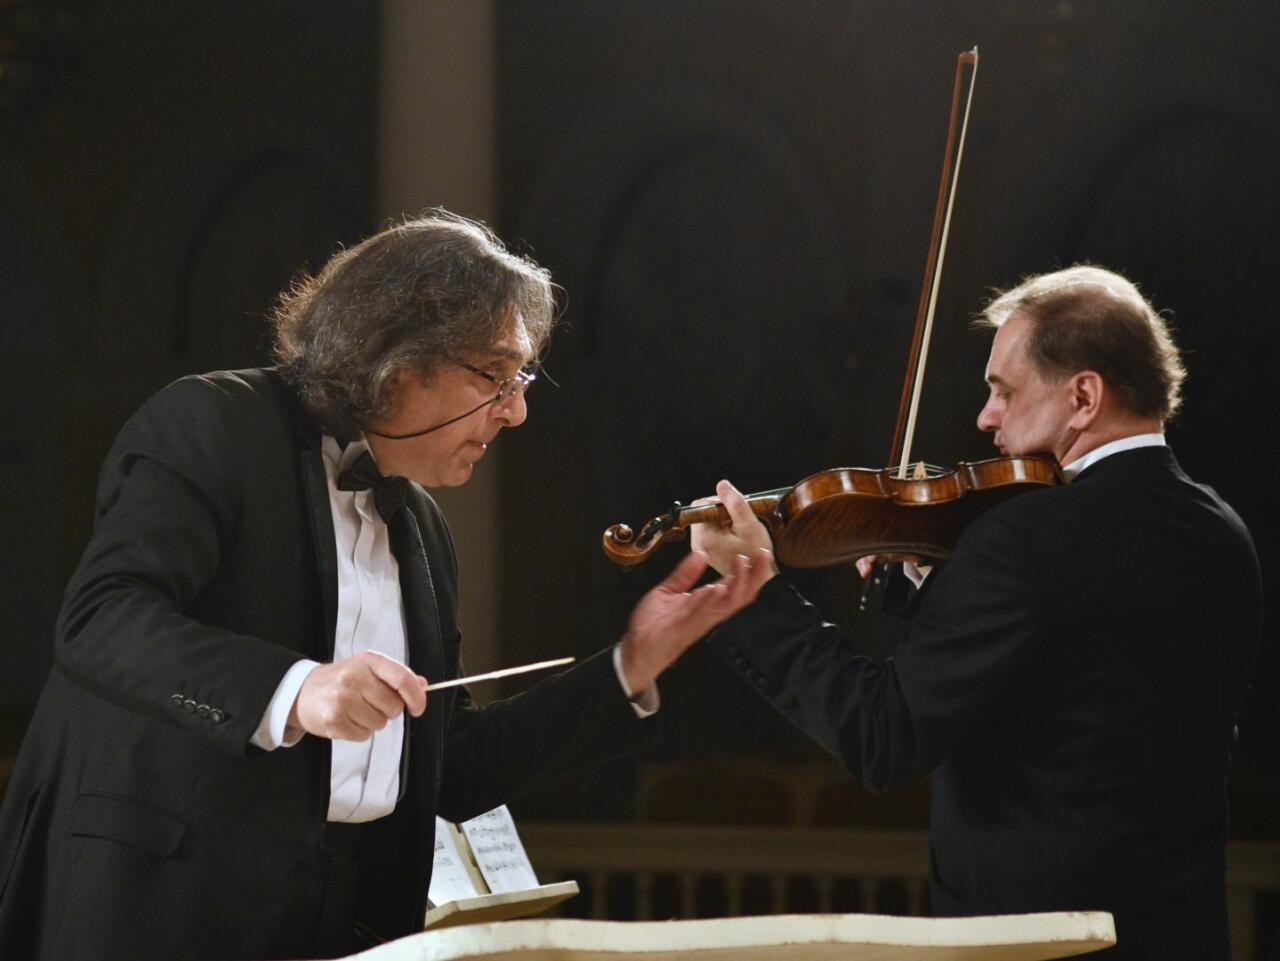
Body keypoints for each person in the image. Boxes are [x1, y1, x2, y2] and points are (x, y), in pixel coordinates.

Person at [0, 211, 773, 961]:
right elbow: (101, 617)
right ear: (395, 356)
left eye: (522, 377)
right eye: (495, 374)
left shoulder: (425, 529)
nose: (516, 410)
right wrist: (297, 690)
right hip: (164, 914)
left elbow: (452, 765)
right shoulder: (212, 424)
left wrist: (633, 663)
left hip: (351, 930)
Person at [692, 265, 1261, 959]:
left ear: (1084, 396)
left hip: (1039, 944)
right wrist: (938, 581)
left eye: (1004, 390)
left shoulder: (1022, 537)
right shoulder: (1222, 532)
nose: (986, 417)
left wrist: (753, 587)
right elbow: (1086, 658)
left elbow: (883, 736)